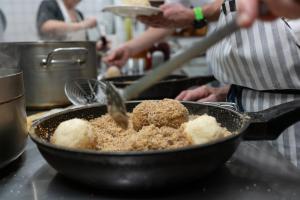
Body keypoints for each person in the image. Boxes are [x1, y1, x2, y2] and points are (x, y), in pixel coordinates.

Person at [139, 0, 300, 167]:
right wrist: (226, 90)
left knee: (288, 187)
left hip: (292, 122)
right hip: (243, 106)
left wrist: (195, 14)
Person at [104, 0, 215, 67]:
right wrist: (129, 48)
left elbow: (228, 5)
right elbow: (170, 21)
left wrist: (195, 14)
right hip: (219, 73)